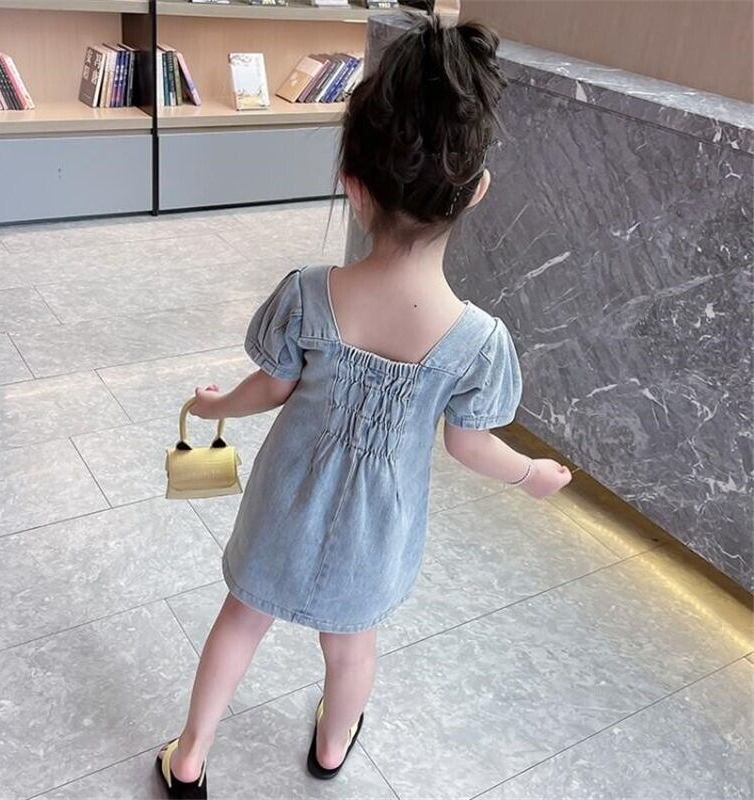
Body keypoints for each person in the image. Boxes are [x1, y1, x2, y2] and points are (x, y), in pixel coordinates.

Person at [155, 12, 572, 799]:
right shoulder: (478, 342)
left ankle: (190, 757)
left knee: (240, 620)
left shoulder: (309, 294)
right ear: (476, 191)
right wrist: (531, 475)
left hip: (282, 505)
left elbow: (270, 386)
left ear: (351, 183)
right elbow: (469, 445)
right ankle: (332, 744)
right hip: (377, 531)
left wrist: (218, 406)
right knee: (350, 648)